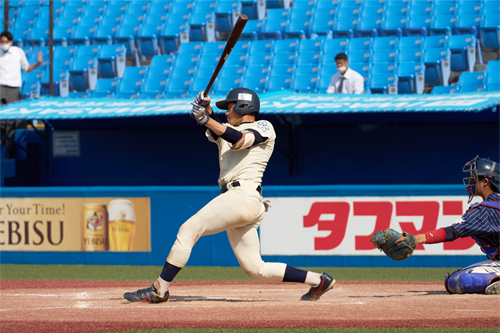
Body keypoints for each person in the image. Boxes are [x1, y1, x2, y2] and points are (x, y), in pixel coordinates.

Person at [123, 88, 336, 303]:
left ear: (244, 106)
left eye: (230, 107)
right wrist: (206, 109)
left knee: (188, 229)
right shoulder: (226, 129)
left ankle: (159, 289)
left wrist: (206, 118)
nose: (226, 112)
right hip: (241, 200)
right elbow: (220, 131)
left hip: (242, 195)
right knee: (255, 268)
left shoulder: (263, 126)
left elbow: (240, 140)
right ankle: (318, 280)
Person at [395, 156, 500, 294]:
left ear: (485, 181)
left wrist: (415, 239)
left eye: (474, 178)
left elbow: (452, 232)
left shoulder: (484, 210)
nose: (470, 181)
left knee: (455, 280)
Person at [0, 31, 43, 159]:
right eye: (2, 42)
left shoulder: (18, 52)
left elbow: (26, 68)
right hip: (0, 86)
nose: (4, 44)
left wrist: (38, 63)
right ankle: (3, 137)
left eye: (6, 42)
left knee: (11, 120)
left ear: (11, 42)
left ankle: (10, 149)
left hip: (13, 88)